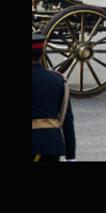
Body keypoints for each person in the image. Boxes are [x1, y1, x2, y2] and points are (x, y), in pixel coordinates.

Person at [32, 34, 76, 162]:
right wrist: (71, 157)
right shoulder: (58, 80)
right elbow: (67, 121)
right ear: (43, 55)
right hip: (51, 145)